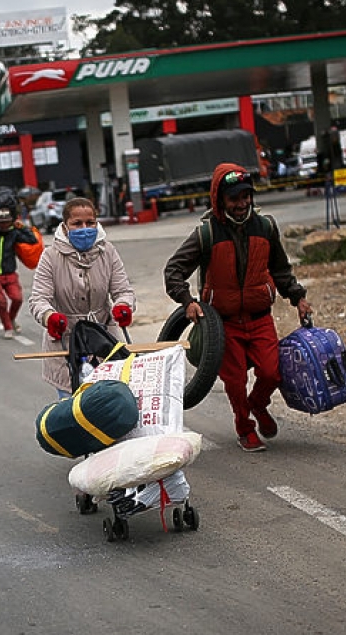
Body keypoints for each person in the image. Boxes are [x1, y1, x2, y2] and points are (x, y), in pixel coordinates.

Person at [163, 162, 313, 453]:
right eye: (234, 198)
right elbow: (173, 271)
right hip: (223, 323)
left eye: (246, 196)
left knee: (271, 373)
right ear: (220, 200)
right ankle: (245, 428)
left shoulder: (265, 227)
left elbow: (281, 270)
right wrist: (188, 302)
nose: (242, 203)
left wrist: (298, 297)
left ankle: (258, 403)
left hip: (259, 318)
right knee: (234, 381)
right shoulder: (206, 233)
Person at [28, 196, 136, 397]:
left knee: (112, 406)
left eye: (90, 223)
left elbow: (123, 291)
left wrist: (123, 306)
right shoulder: (50, 256)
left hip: (105, 340)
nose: (84, 228)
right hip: (66, 342)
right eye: (77, 223)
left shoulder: (108, 251)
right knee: (74, 411)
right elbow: (38, 299)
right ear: (65, 227)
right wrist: (49, 316)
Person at [0, 205, 39, 339]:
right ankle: (8, 327)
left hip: (10, 273)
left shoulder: (14, 233)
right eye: (1, 222)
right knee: (1, 301)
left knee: (17, 299)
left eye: (7, 222)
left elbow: (32, 240)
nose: (4, 225)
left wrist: (21, 227)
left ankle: (10, 319)